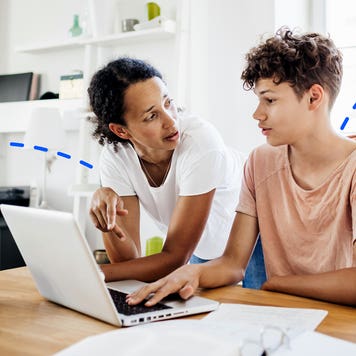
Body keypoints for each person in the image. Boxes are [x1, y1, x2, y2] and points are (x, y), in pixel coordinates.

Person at [126, 28, 356, 307]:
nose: (257, 114)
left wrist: (279, 284)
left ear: (313, 97)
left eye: (269, 100)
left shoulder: (351, 169)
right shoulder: (260, 162)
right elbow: (233, 263)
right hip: (281, 320)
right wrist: (191, 272)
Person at [87, 57, 266, 285]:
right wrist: (107, 221)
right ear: (121, 131)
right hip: (203, 243)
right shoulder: (115, 156)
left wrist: (91, 274)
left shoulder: (200, 143)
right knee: (206, 316)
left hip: (255, 232)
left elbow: (175, 258)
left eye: (168, 102)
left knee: (258, 314)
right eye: (152, 115)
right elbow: (129, 262)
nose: (171, 121)